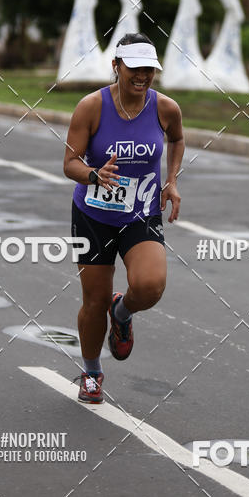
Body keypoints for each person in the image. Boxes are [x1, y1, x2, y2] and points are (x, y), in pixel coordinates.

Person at [63, 33, 184, 403]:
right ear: (116, 66)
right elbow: (69, 163)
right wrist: (94, 175)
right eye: (134, 68)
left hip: (141, 213)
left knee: (150, 286)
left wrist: (171, 180)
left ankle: (123, 310)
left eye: (149, 69)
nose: (142, 76)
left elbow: (177, 139)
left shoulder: (165, 108)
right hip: (93, 215)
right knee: (93, 300)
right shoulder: (91, 107)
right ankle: (91, 372)